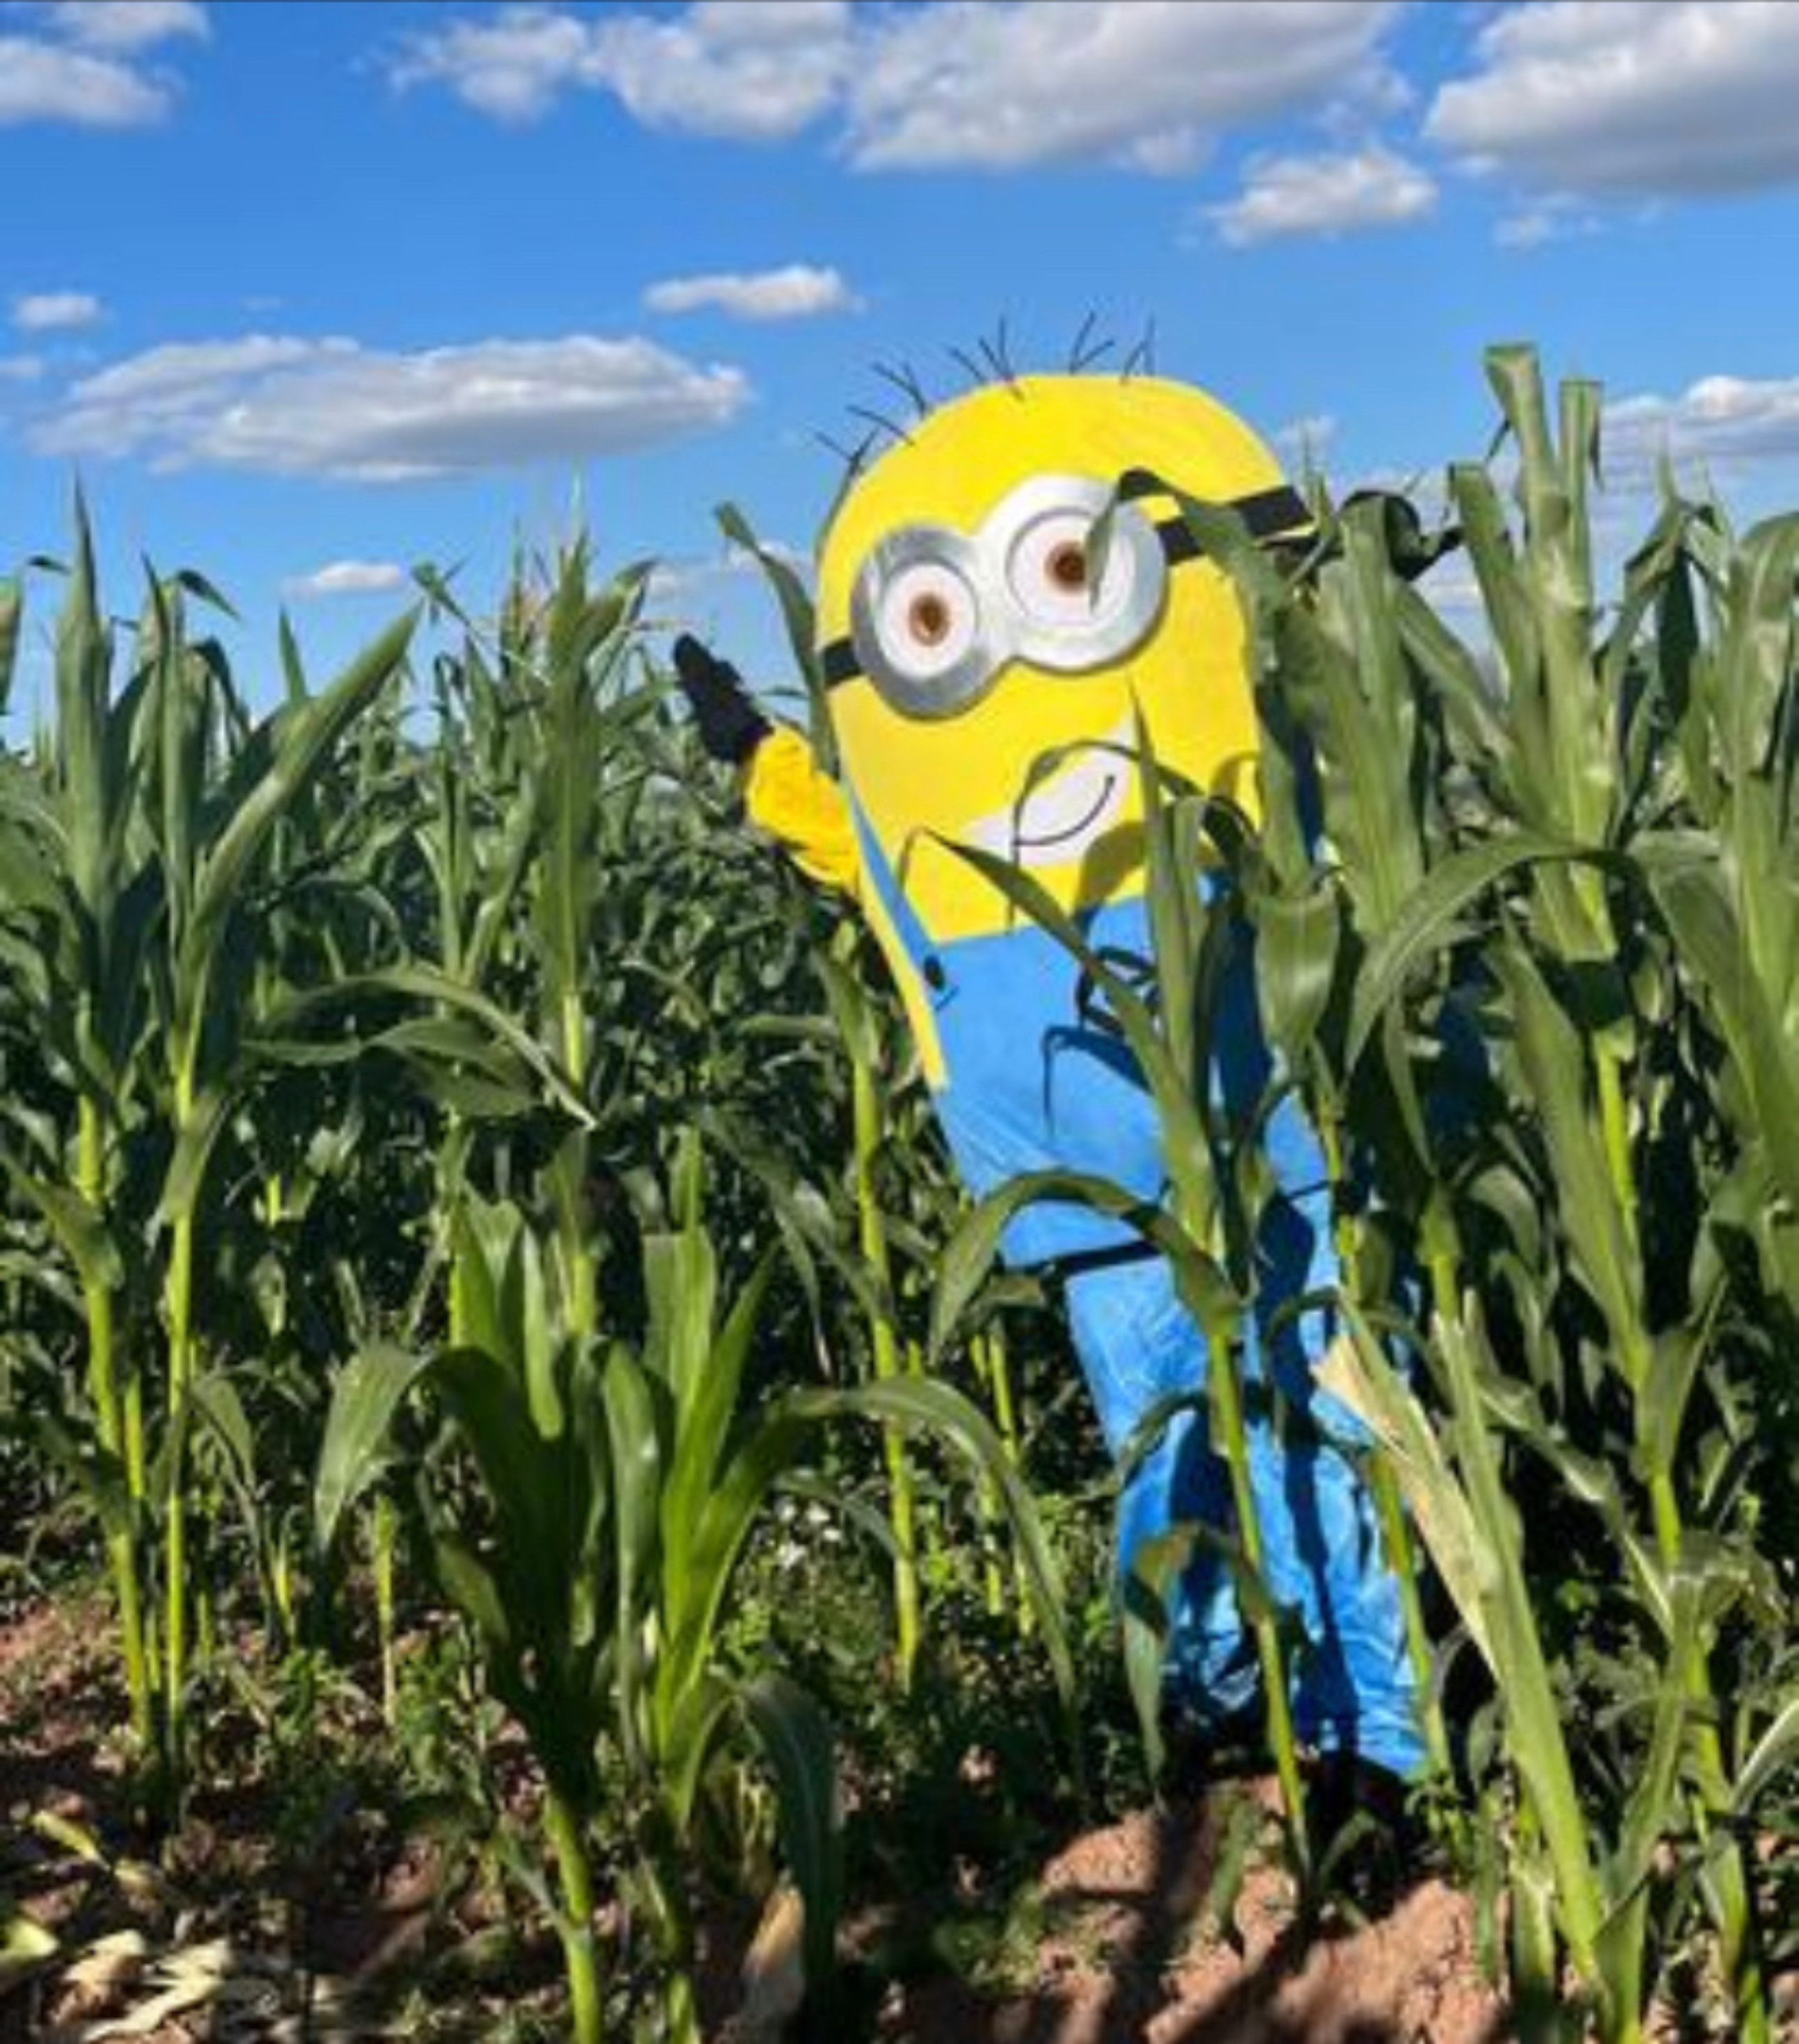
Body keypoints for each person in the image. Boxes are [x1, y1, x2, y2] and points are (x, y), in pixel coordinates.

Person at [674, 370, 1423, 1780]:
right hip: (1090, 1188)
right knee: (1162, 1449)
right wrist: (759, 760)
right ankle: (1207, 1712)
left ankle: (1367, 1745)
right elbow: (866, 857)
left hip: (1269, 1134)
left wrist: (1360, 599)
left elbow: (1343, 766)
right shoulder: (933, 840)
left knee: (1316, 1423)